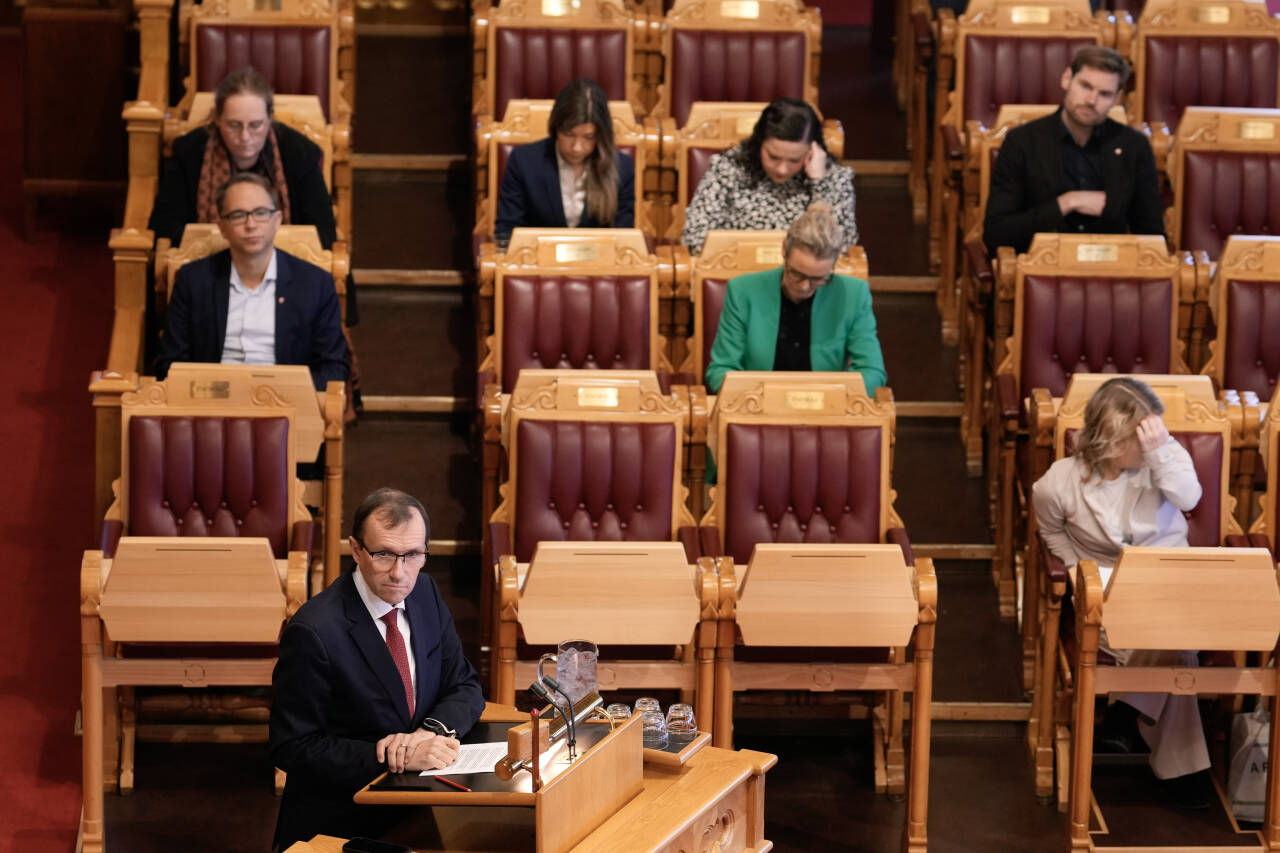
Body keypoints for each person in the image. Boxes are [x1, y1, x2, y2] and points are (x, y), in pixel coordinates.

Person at [1031, 377, 1213, 808]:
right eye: (1139, 436)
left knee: (1176, 627)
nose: (1148, 442)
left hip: (1172, 581)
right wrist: (1079, 573)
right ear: (1111, 439)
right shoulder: (1059, 483)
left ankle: (1126, 713)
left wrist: (1162, 450)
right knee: (1180, 649)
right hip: (1109, 595)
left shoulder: (1163, 457)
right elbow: (1050, 531)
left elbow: (1190, 496)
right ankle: (1183, 770)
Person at [269, 488, 485, 850]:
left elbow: (463, 683)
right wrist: (391, 754)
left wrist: (428, 733)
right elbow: (292, 746)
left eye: (413, 555)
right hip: (340, 822)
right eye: (384, 554)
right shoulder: (314, 631)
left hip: (423, 810)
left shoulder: (425, 591)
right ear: (356, 550)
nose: (400, 574)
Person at [151, 172, 348, 391]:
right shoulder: (193, 280)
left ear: (277, 220)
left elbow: (333, 369)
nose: (251, 224)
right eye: (238, 215)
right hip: (212, 401)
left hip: (286, 403)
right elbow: (169, 363)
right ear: (222, 227)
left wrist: (286, 391)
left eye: (261, 213)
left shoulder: (315, 283)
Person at [983, 46, 1165, 256]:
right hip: (1042, 269)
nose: (1091, 101)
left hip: (1110, 272)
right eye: (1085, 86)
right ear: (1067, 79)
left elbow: (1152, 238)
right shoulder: (1022, 142)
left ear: (1116, 99)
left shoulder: (1134, 146)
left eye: (1104, 94)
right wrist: (1067, 203)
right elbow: (996, 234)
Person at [705, 201, 886, 394]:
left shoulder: (853, 294)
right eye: (796, 274)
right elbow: (720, 370)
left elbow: (873, 372)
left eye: (818, 279)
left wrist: (832, 398)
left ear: (833, 266)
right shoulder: (743, 290)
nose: (804, 287)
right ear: (784, 251)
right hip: (758, 409)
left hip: (826, 412)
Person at [149, 67, 337, 252]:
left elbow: (324, 233)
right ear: (216, 118)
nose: (245, 136)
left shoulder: (299, 153)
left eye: (255, 125)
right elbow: (164, 229)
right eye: (234, 125)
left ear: (270, 118)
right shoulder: (189, 152)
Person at [682, 97, 857, 256]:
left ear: (813, 150)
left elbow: (840, 250)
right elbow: (695, 239)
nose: (782, 169)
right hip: (736, 278)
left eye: (794, 160)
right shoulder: (729, 168)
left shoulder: (834, 178)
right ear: (759, 144)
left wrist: (820, 185)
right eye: (773, 157)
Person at [494, 78, 635, 245]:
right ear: (556, 127)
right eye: (569, 134)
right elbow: (506, 232)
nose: (577, 147)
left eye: (588, 137)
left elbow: (623, 240)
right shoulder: (523, 161)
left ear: (601, 135)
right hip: (537, 266)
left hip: (598, 268)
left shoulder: (622, 168)